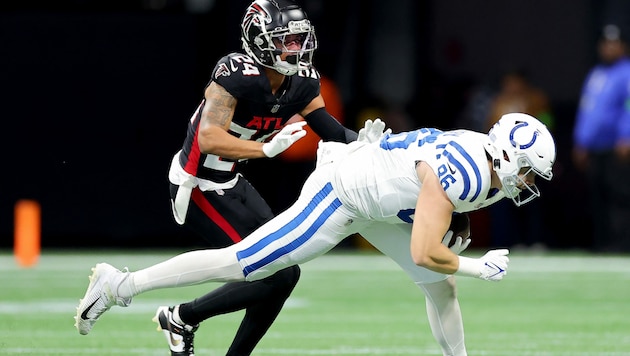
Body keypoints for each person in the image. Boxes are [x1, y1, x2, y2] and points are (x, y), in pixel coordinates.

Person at [75, 113, 556, 356]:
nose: (530, 184)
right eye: (531, 173)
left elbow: (431, 191)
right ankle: (121, 284)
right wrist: (477, 266)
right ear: (510, 160)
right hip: (343, 194)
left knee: (441, 289)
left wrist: (456, 222)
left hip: (380, 197)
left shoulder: (486, 164)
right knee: (244, 262)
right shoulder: (470, 171)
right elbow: (425, 248)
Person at [74, 1, 380, 355]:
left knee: (285, 270)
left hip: (230, 182)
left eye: (299, 39)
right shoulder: (236, 73)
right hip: (196, 182)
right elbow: (209, 138)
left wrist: (372, 143)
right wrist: (264, 151)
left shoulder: (302, 82)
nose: (295, 49)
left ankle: (182, 320)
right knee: (275, 271)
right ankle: (133, 292)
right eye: (286, 40)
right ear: (258, 40)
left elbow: (331, 130)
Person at [572, 23, 630, 252]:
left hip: (617, 147)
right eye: (605, 43)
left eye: (614, 43)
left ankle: (622, 244)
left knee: (620, 198)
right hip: (594, 149)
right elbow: (587, 109)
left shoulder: (626, 72)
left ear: (623, 46)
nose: (609, 47)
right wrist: (581, 141)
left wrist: (626, 136)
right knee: (598, 199)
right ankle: (602, 244)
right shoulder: (596, 73)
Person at [485, 68, 555, 250]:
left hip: (530, 161)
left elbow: (547, 123)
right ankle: (511, 241)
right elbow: (490, 129)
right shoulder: (499, 101)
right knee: (504, 200)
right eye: (507, 82)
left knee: (532, 201)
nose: (510, 86)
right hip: (506, 161)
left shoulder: (536, 98)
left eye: (514, 81)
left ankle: (536, 239)